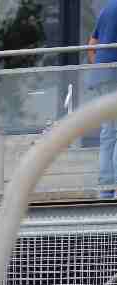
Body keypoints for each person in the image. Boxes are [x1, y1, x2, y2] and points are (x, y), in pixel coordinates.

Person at [92, 3, 117, 199]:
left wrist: (100, 69)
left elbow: (91, 44)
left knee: (108, 133)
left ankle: (106, 189)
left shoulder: (107, 8)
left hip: (103, 77)